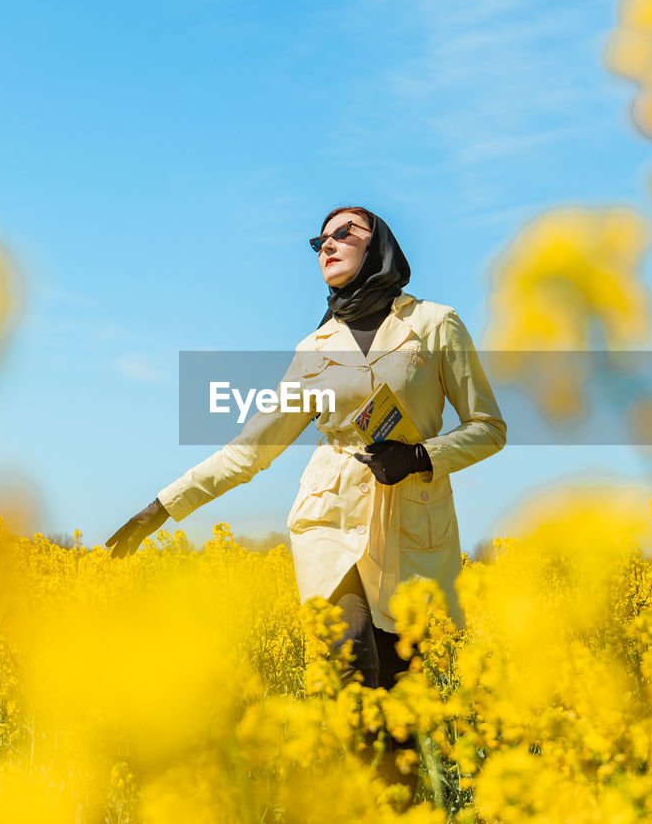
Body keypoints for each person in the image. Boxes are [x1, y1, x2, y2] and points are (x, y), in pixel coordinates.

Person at [104, 206, 506, 690]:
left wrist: (420, 457)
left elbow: (488, 426)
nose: (328, 246)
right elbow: (251, 448)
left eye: (343, 234)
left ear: (377, 245)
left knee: (402, 692)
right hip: (328, 519)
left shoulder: (437, 323)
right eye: (320, 243)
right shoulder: (314, 346)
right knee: (351, 665)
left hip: (411, 519)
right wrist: (163, 505)